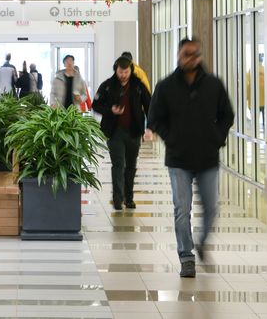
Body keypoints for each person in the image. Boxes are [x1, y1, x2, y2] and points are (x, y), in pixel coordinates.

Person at [148, 38, 234, 278]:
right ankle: (186, 256)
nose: (191, 59)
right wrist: (171, 137)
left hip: (207, 157)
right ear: (179, 55)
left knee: (211, 208)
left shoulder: (214, 85)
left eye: (195, 54)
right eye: (187, 54)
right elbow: (154, 118)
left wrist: (217, 137)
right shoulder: (165, 86)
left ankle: (202, 241)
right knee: (182, 209)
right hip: (178, 159)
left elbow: (227, 114)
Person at [92, 56, 153, 211]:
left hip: (133, 132)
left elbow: (149, 105)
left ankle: (129, 198)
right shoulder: (107, 85)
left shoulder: (138, 86)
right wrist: (110, 110)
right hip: (115, 132)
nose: (123, 75)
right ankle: (118, 199)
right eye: (120, 71)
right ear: (116, 70)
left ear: (130, 70)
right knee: (118, 165)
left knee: (131, 166)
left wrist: (149, 127)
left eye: (126, 72)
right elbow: (96, 105)